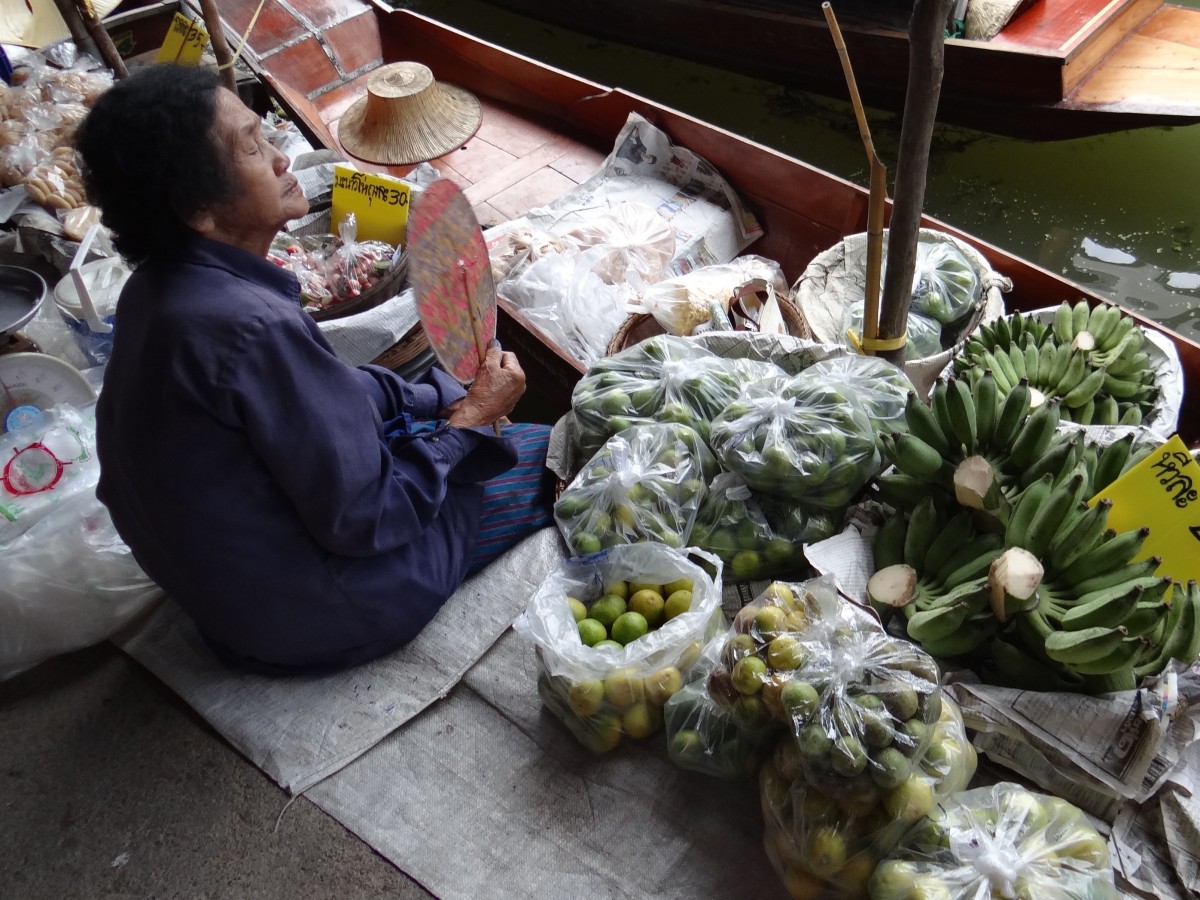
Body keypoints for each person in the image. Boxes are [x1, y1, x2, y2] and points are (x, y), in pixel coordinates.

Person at [75, 65, 556, 675]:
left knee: (438, 431)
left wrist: (438, 397)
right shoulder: (250, 327)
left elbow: (332, 395)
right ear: (198, 209)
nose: (280, 159)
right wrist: (470, 421)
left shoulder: (157, 288)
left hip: (227, 603)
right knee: (541, 451)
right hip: (313, 615)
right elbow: (368, 517)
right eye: (252, 146)